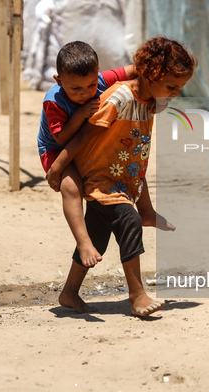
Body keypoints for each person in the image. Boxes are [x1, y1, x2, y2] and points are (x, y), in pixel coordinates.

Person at [46, 36, 197, 316]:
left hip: (124, 176)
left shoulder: (149, 99)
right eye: (172, 86)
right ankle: (137, 294)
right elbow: (84, 136)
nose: (176, 93)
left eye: (180, 88)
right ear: (151, 76)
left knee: (98, 234)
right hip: (101, 178)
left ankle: (69, 293)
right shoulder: (120, 97)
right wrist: (58, 166)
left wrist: (160, 98)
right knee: (129, 221)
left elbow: (153, 99)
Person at [37, 41, 137, 267]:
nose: (85, 93)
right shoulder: (53, 101)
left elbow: (133, 70)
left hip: (88, 143)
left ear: (98, 73)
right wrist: (80, 114)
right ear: (59, 81)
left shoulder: (101, 80)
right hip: (55, 149)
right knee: (71, 187)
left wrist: (152, 67)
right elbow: (61, 139)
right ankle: (83, 243)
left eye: (91, 86)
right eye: (75, 89)